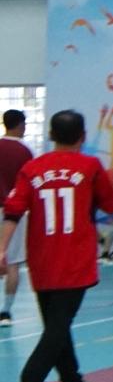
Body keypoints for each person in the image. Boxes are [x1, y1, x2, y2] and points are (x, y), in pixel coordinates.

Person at [2, 110, 113, 382]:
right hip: (75, 259)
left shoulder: (32, 168)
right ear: (82, 136)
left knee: (57, 322)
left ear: (51, 135)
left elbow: (13, 211)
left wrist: (1, 249)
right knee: (58, 325)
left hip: (41, 259)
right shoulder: (90, 166)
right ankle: (32, 381)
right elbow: (110, 204)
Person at [0, 108, 31, 326]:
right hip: (15, 213)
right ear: (20, 125)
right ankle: (5, 312)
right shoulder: (26, 151)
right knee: (13, 263)